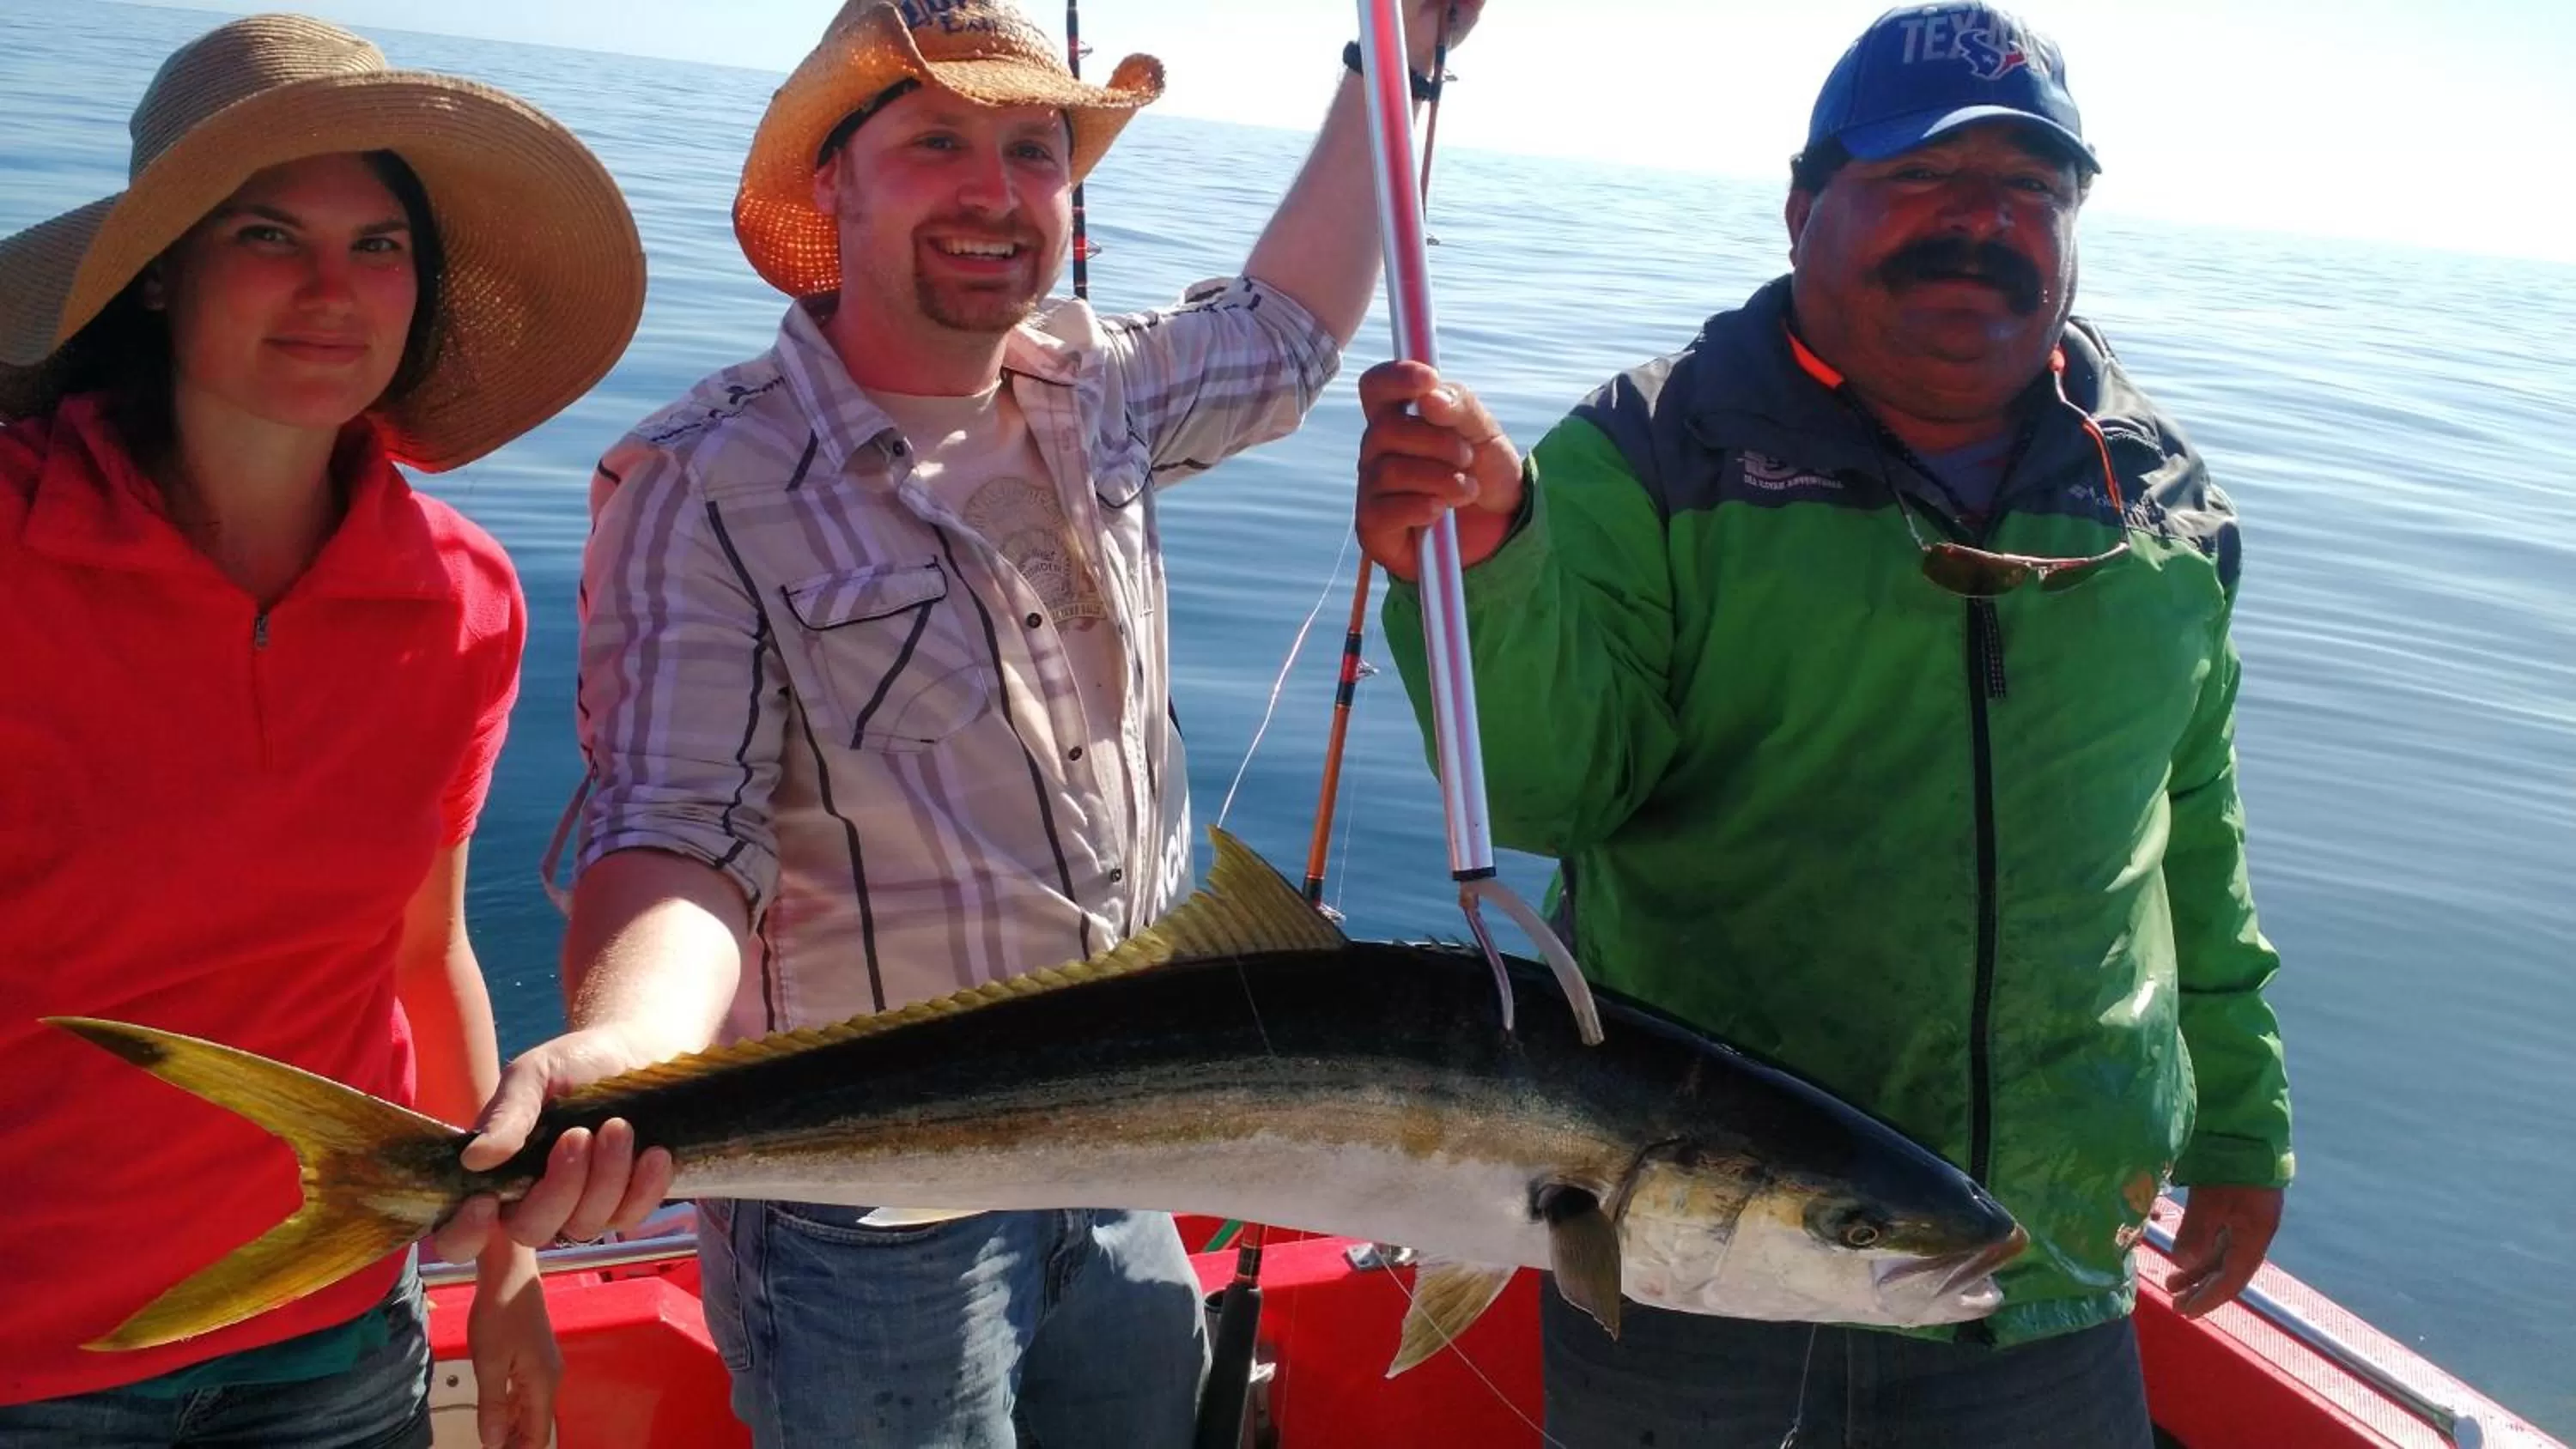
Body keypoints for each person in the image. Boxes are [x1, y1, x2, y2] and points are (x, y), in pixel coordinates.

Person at [428, 1, 1485, 1444]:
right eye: (936, 142)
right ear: (833, 183)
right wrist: (632, 1046)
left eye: (1035, 149)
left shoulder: (1096, 389)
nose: (995, 191)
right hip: (861, 1217)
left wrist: (1397, 60)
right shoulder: (704, 479)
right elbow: (678, 825)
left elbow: (1290, 334)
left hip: (1129, 1138)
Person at [1352, 5, 2291, 1445]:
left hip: (2033, 1268)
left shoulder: (2158, 506)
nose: (1979, 224)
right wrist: (1488, 554)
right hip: (1680, 1271)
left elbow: (2191, 849)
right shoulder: (1651, 455)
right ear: (1804, 206)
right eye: (1922, 179)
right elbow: (1550, 791)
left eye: (2030, 191)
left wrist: (2239, 1122)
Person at [0, 14, 645, 1448]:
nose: (329, 290)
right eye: (268, 234)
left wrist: (507, 1258)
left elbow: (426, 953)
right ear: (162, 270)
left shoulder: (467, 597)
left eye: (377, 247)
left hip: (339, 1342)